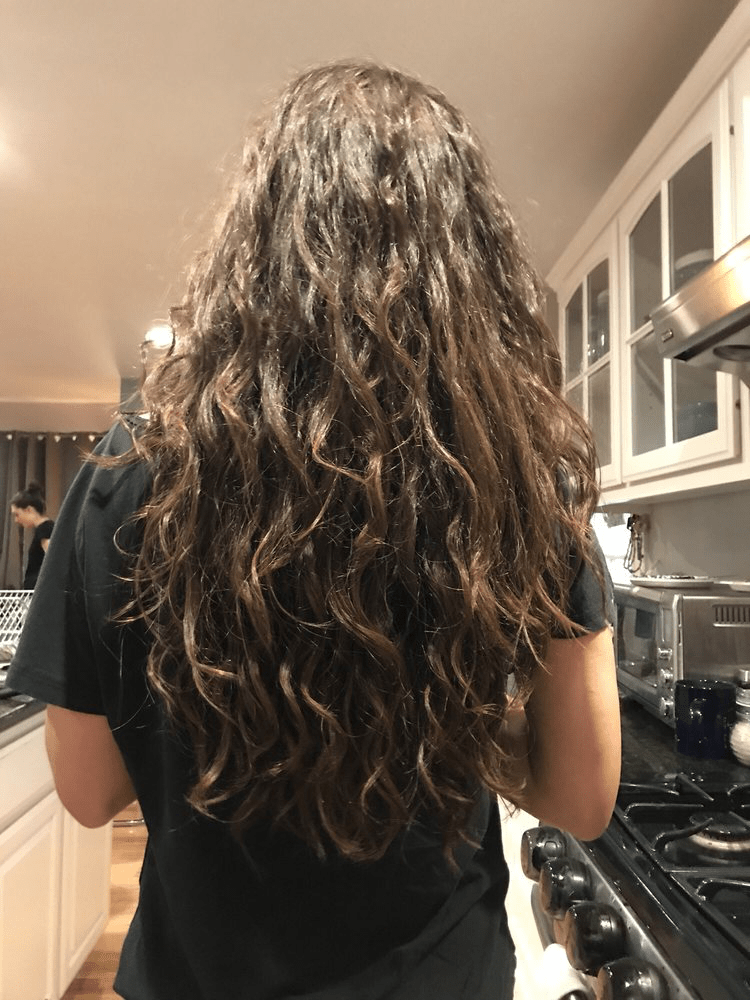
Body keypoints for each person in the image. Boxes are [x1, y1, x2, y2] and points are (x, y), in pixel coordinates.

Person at [7, 61, 620, 1000]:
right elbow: (580, 793)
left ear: (253, 243)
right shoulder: (516, 466)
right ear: (469, 260)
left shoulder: (132, 467)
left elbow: (89, 794)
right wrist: (429, 727)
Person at [10, 482, 54, 588]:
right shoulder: (45, 528)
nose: (16, 520)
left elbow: (55, 559)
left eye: (17, 514)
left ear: (29, 510)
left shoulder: (45, 529)